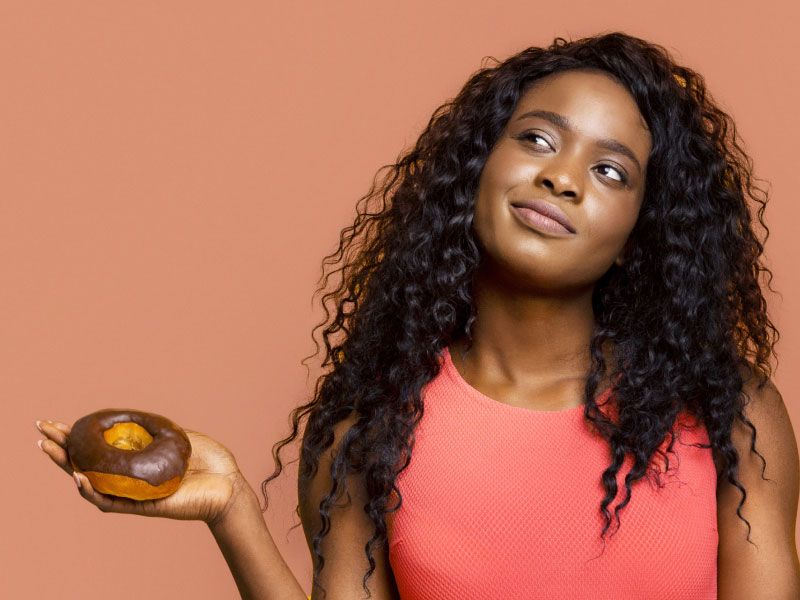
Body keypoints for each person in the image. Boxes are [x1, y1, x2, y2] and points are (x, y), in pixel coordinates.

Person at [38, 31, 800, 599]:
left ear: (642, 234)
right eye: (536, 138)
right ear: (475, 169)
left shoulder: (733, 417)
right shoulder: (371, 430)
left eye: (609, 170)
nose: (561, 177)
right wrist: (234, 509)